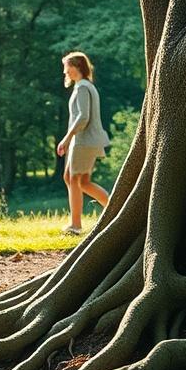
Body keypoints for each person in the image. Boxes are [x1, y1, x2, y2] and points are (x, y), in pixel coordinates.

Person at [57, 51, 110, 235]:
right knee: (76, 180)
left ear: (77, 67)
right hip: (83, 141)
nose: (65, 71)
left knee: (75, 179)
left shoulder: (82, 88)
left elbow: (83, 117)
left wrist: (66, 138)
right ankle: (113, 211)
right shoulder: (84, 86)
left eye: (67, 67)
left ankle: (76, 225)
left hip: (84, 141)